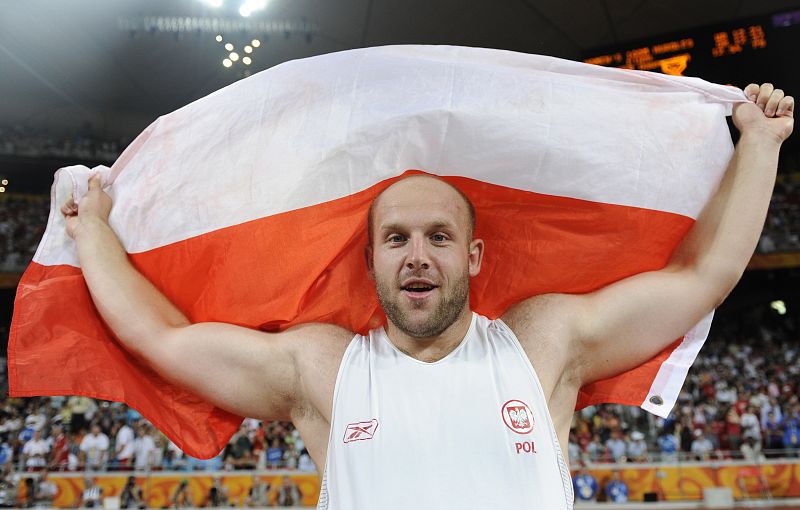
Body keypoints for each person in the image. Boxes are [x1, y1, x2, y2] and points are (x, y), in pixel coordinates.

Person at [61, 84, 794, 508]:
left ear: (472, 256)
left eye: (439, 238)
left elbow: (702, 279)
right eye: (397, 239)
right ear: (373, 261)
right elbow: (160, 339)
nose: (418, 256)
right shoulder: (324, 369)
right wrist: (90, 231)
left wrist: (758, 144)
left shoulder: (544, 341)